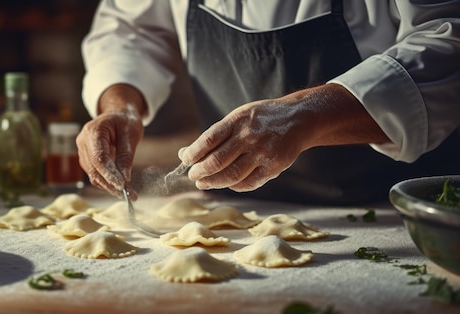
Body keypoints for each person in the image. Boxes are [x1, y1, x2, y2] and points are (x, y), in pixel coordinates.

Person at [76, 0, 460, 205]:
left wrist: (307, 115)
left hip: (400, 214)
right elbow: (132, 26)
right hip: (240, 212)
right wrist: (120, 105)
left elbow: (447, 39)